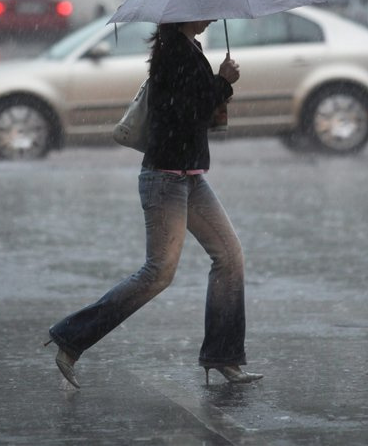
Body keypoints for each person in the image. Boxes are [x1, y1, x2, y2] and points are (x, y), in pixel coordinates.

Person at [45, 19, 262, 388]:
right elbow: (184, 113)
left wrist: (218, 87)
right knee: (158, 273)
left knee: (229, 257)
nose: (210, 13)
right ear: (185, 14)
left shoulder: (188, 48)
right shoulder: (174, 54)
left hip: (189, 175)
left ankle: (223, 356)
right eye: (203, 7)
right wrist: (223, 82)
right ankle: (71, 337)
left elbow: (193, 111)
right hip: (165, 179)